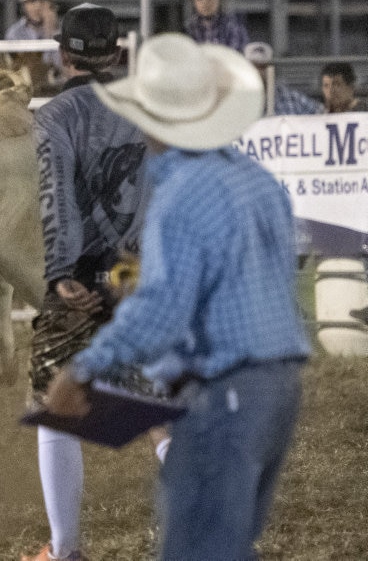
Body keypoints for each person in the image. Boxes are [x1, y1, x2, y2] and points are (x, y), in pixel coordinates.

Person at [44, 33, 311, 560]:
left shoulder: (182, 193)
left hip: (225, 390)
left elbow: (163, 311)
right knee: (227, 542)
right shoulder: (259, 182)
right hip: (279, 386)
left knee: (200, 546)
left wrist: (83, 370)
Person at [25, 5, 167, 561]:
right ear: (119, 52)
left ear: (63, 55)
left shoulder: (56, 117)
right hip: (143, 272)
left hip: (83, 275)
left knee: (56, 404)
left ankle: (66, 552)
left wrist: (61, 273)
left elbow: (56, 197)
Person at [5, 0, 62, 95]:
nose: (37, 6)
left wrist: (50, 32)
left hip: (56, 90)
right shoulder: (15, 33)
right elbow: (22, 70)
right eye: (32, 1)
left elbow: (59, 67)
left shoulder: (62, 32)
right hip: (27, 91)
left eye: (42, 1)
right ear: (23, 6)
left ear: (51, 5)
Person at [243, 41, 322, 115]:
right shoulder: (236, 100)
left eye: (263, 67)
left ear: (272, 69)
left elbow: (322, 115)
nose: (259, 72)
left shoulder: (291, 98)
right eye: (254, 67)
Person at [184, 0, 250, 51]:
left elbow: (236, 58)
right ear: (193, 2)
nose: (205, 3)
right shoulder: (188, 28)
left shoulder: (233, 27)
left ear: (220, 0)